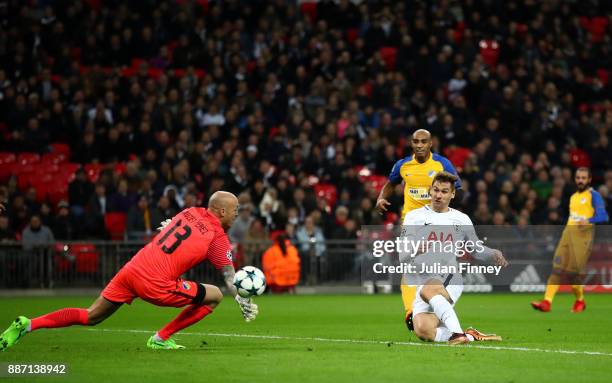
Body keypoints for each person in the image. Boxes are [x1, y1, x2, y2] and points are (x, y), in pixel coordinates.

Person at [0, 191, 259, 351]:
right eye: (235, 210)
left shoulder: (189, 212)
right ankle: (161, 338)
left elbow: (177, 229)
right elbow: (228, 274)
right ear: (222, 211)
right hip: (155, 283)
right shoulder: (218, 236)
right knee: (214, 296)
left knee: (91, 315)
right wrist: (241, 297)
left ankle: (28, 325)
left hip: (132, 269)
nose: (237, 215)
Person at [400, 172, 508, 344]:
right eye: (435, 190)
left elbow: (476, 249)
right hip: (423, 279)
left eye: (444, 191)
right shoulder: (413, 217)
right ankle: (471, 335)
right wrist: (414, 249)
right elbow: (402, 255)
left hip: (449, 277)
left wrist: (492, 253)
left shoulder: (461, 219)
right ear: (430, 190)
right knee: (423, 330)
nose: (438, 195)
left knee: (428, 290)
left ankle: (458, 335)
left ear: (452, 194)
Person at [375, 129, 462, 331]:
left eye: (424, 141)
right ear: (411, 143)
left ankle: (438, 308)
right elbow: (390, 184)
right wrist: (381, 197)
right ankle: (411, 312)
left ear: (431, 143)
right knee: (408, 267)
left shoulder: (442, 164)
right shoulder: (403, 165)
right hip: (411, 224)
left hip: (437, 223)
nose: (420, 145)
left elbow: (457, 188)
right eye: (416, 141)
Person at [531, 167, 609, 313]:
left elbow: (604, 216)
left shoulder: (594, 195)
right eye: (578, 177)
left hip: (583, 239)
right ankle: (547, 302)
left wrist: (589, 220)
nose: (580, 180)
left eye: (583, 178)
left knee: (573, 274)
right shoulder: (573, 197)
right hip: (567, 236)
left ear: (589, 179)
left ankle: (580, 300)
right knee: (556, 268)